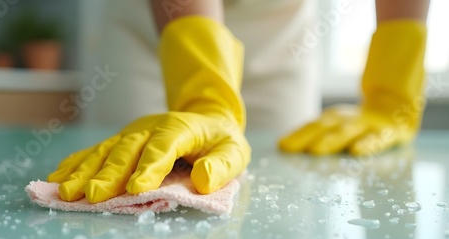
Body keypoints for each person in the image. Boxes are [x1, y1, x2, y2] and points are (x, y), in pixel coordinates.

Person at [48, 0, 430, 203]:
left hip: (282, 24)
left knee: (284, 189)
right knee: (133, 180)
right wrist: (204, 97)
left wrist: (391, 93)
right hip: (157, 20)